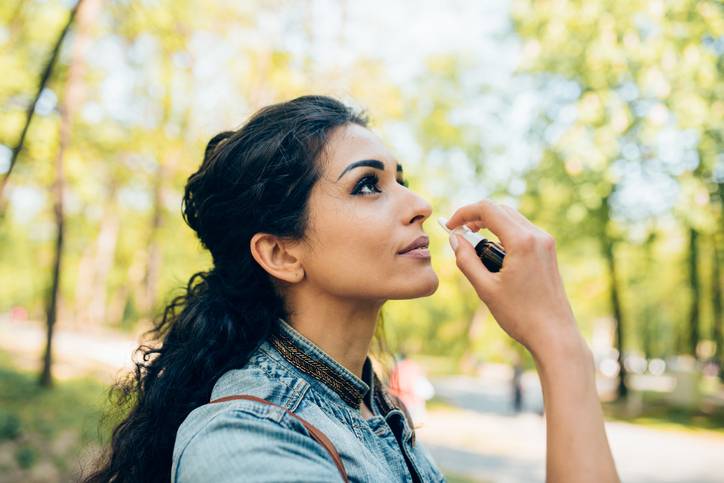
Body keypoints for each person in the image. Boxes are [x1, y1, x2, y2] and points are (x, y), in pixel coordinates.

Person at [82, 95, 619, 483]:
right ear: (281, 253)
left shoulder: (370, 408)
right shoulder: (247, 442)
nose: (419, 204)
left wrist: (560, 343)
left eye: (399, 178)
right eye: (368, 185)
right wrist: (559, 344)